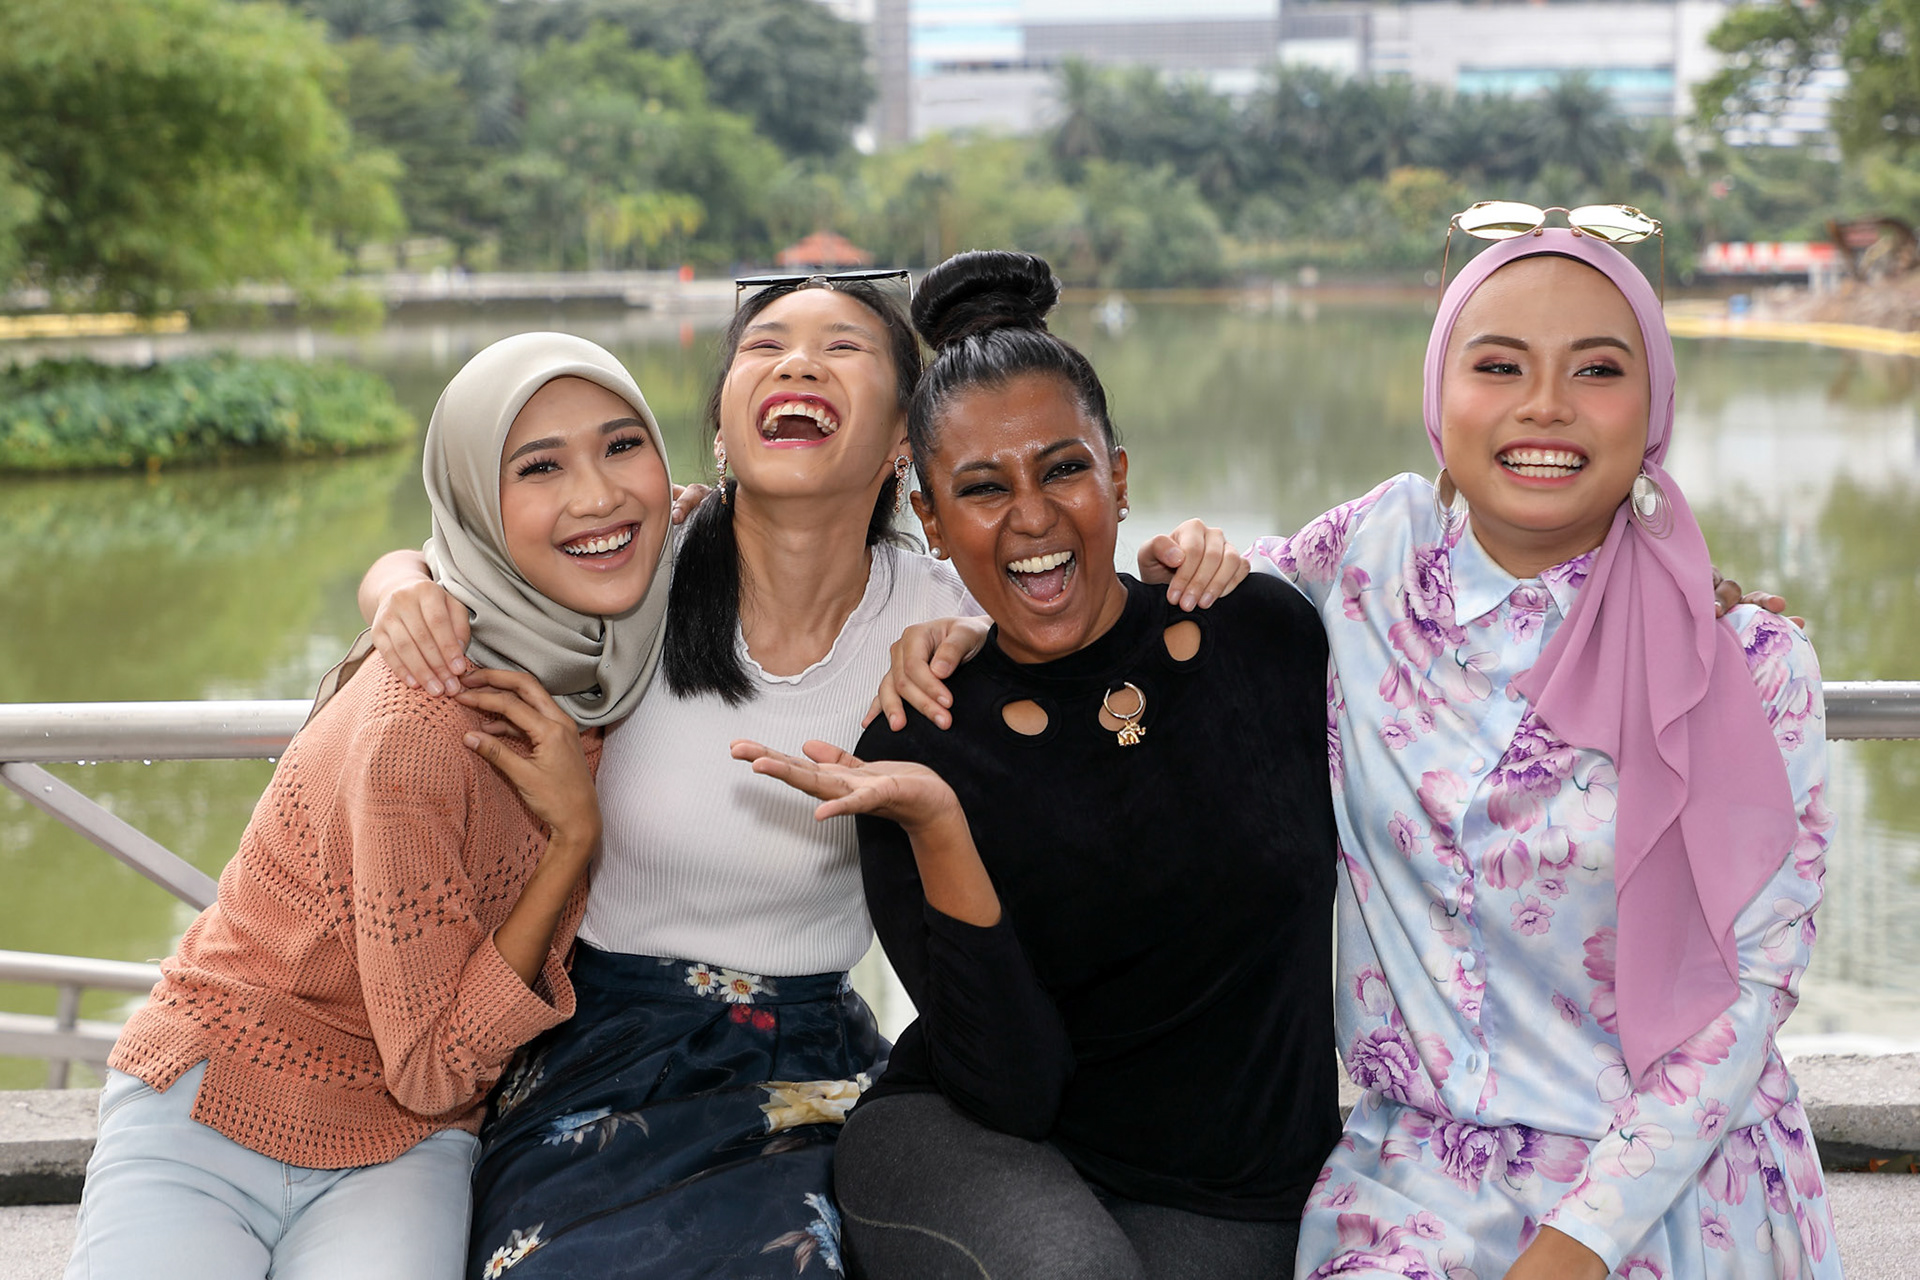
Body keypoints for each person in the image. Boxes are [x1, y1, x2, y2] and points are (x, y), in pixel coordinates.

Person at [878, 225, 1835, 1280]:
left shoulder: (1745, 667)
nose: (1546, 405)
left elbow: (1747, 997)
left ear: (1652, 407)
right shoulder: (1372, 558)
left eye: (1598, 369)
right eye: (1499, 364)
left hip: (1671, 1183)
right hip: (1418, 1183)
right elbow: (1121, 608)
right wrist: (970, 635)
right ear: (1440, 395)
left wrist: (1575, 1249)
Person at [353, 275, 1247, 1278]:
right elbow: (465, 550)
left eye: (844, 346)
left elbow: (1104, 629)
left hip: (811, 1064)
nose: (798, 361)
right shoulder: (634, 569)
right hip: (600, 1056)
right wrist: (396, 581)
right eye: (765, 343)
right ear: (726, 429)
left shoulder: (956, 610)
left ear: (907, 440)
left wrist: (1201, 555)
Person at [733, 249, 1342, 1280]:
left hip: (1239, 1190)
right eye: (980, 487)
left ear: (1118, 472)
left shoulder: (1265, 635)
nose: (1031, 517)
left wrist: (1696, 599)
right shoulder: (917, 741)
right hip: (977, 1146)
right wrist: (937, 822)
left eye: (1063, 467)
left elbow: (1470, 652)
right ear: (929, 516)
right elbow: (1008, 1088)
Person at [65, 332, 678, 1280]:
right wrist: (571, 841)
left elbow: (807, 524)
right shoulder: (430, 718)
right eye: (540, 466)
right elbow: (433, 1063)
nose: (598, 495)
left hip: (403, 1145)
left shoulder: (634, 607)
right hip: (213, 1100)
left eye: (622, 444)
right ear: (476, 496)